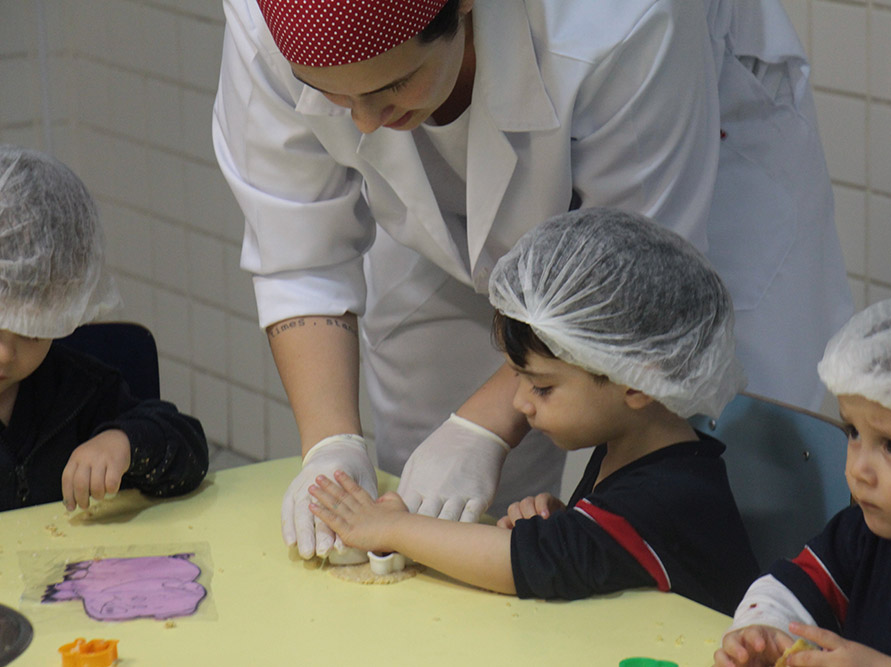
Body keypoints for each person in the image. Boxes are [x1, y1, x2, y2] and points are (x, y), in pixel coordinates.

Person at [212, 0, 853, 561]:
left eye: (394, 84)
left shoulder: (620, 19)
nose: (363, 123)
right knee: (432, 499)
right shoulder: (267, 17)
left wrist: (481, 428)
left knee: (717, 481)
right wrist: (330, 443)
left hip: (687, 188)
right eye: (328, 93)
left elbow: (636, 281)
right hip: (434, 221)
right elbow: (299, 248)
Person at [307, 208, 759, 611]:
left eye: (542, 387)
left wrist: (391, 528)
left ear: (637, 383)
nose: (519, 403)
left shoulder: (672, 496)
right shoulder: (641, 453)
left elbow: (524, 563)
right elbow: (606, 553)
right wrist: (569, 524)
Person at [715, 289, 891, 667]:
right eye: (853, 432)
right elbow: (785, 590)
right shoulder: (862, 538)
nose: (857, 470)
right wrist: (763, 629)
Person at [0, 145, 210, 512]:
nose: (4, 354)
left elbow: (187, 447)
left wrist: (123, 442)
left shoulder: (78, 391)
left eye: (32, 331)